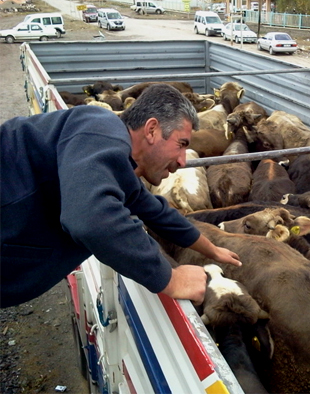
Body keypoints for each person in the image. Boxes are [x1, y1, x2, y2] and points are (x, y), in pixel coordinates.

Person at [0, 84, 241, 308]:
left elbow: (156, 211)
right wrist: (171, 278)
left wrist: (212, 250)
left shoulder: (118, 166)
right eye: (181, 144)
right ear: (152, 130)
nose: (182, 160)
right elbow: (90, 221)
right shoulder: (99, 128)